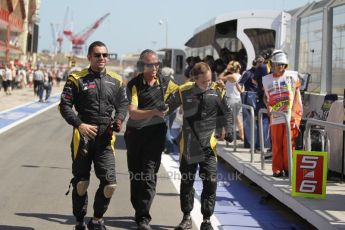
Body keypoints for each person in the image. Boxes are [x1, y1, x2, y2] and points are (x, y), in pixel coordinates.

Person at [59, 41, 128, 230]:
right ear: (89, 57)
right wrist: (79, 124)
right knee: (81, 183)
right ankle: (80, 221)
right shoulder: (76, 78)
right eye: (97, 55)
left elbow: (122, 104)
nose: (102, 58)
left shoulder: (116, 80)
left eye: (105, 55)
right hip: (82, 137)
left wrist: (119, 119)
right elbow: (64, 105)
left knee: (109, 184)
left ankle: (97, 219)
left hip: (105, 137)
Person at [166, 62, 233, 230]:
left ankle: (206, 220)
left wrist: (229, 129)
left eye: (210, 80)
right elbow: (166, 108)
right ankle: (186, 217)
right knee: (187, 182)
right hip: (189, 144)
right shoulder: (184, 90)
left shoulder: (217, 90)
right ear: (195, 79)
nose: (208, 83)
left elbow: (227, 113)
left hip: (208, 145)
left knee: (210, 182)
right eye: (204, 81)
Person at [124, 49, 179, 230]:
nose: (154, 67)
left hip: (156, 135)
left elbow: (182, 94)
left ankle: (143, 217)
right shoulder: (134, 84)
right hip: (135, 135)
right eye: (150, 64)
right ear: (142, 65)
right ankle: (138, 208)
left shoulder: (166, 83)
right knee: (136, 175)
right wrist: (155, 111)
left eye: (157, 64)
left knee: (148, 175)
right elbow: (133, 112)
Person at [262, 50, 303, 177]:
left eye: (282, 64)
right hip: (275, 116)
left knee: (289, 144)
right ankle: (277, 169)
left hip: (290, 116)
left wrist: (296, 113)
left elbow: (297, 94)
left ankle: (289, 168)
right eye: (277, 64)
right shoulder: (266, 79)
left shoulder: (293, 76)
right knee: (277, 144)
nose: (279, 66)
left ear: (285, 65)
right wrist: (268, 106)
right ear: (272, 64)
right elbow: (265, 97)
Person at [218, 60, 244, 141]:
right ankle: (242, 135)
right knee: (237, 119)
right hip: (238, 99)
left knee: (225, 117)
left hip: (230, 99)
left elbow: (220, 77)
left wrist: (226, 70)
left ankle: (222, 136)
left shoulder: (231, 76)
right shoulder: (240, 76)